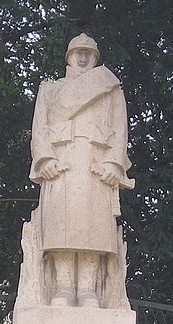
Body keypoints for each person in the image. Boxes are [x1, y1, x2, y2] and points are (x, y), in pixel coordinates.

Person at [29, 33, 133, 308]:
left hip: (95, 166)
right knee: (61, 229)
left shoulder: (110, 90)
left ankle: (88, 290)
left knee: (94, 229)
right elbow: (39, 129)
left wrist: (113, 163)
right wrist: (44, 159)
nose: (84, 57)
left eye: (89, 52)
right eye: (78, 52)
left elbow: (120, 130)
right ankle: (62, 289)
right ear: (69, 56)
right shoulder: (50, 90)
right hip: (62, 163)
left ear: (96, 58)